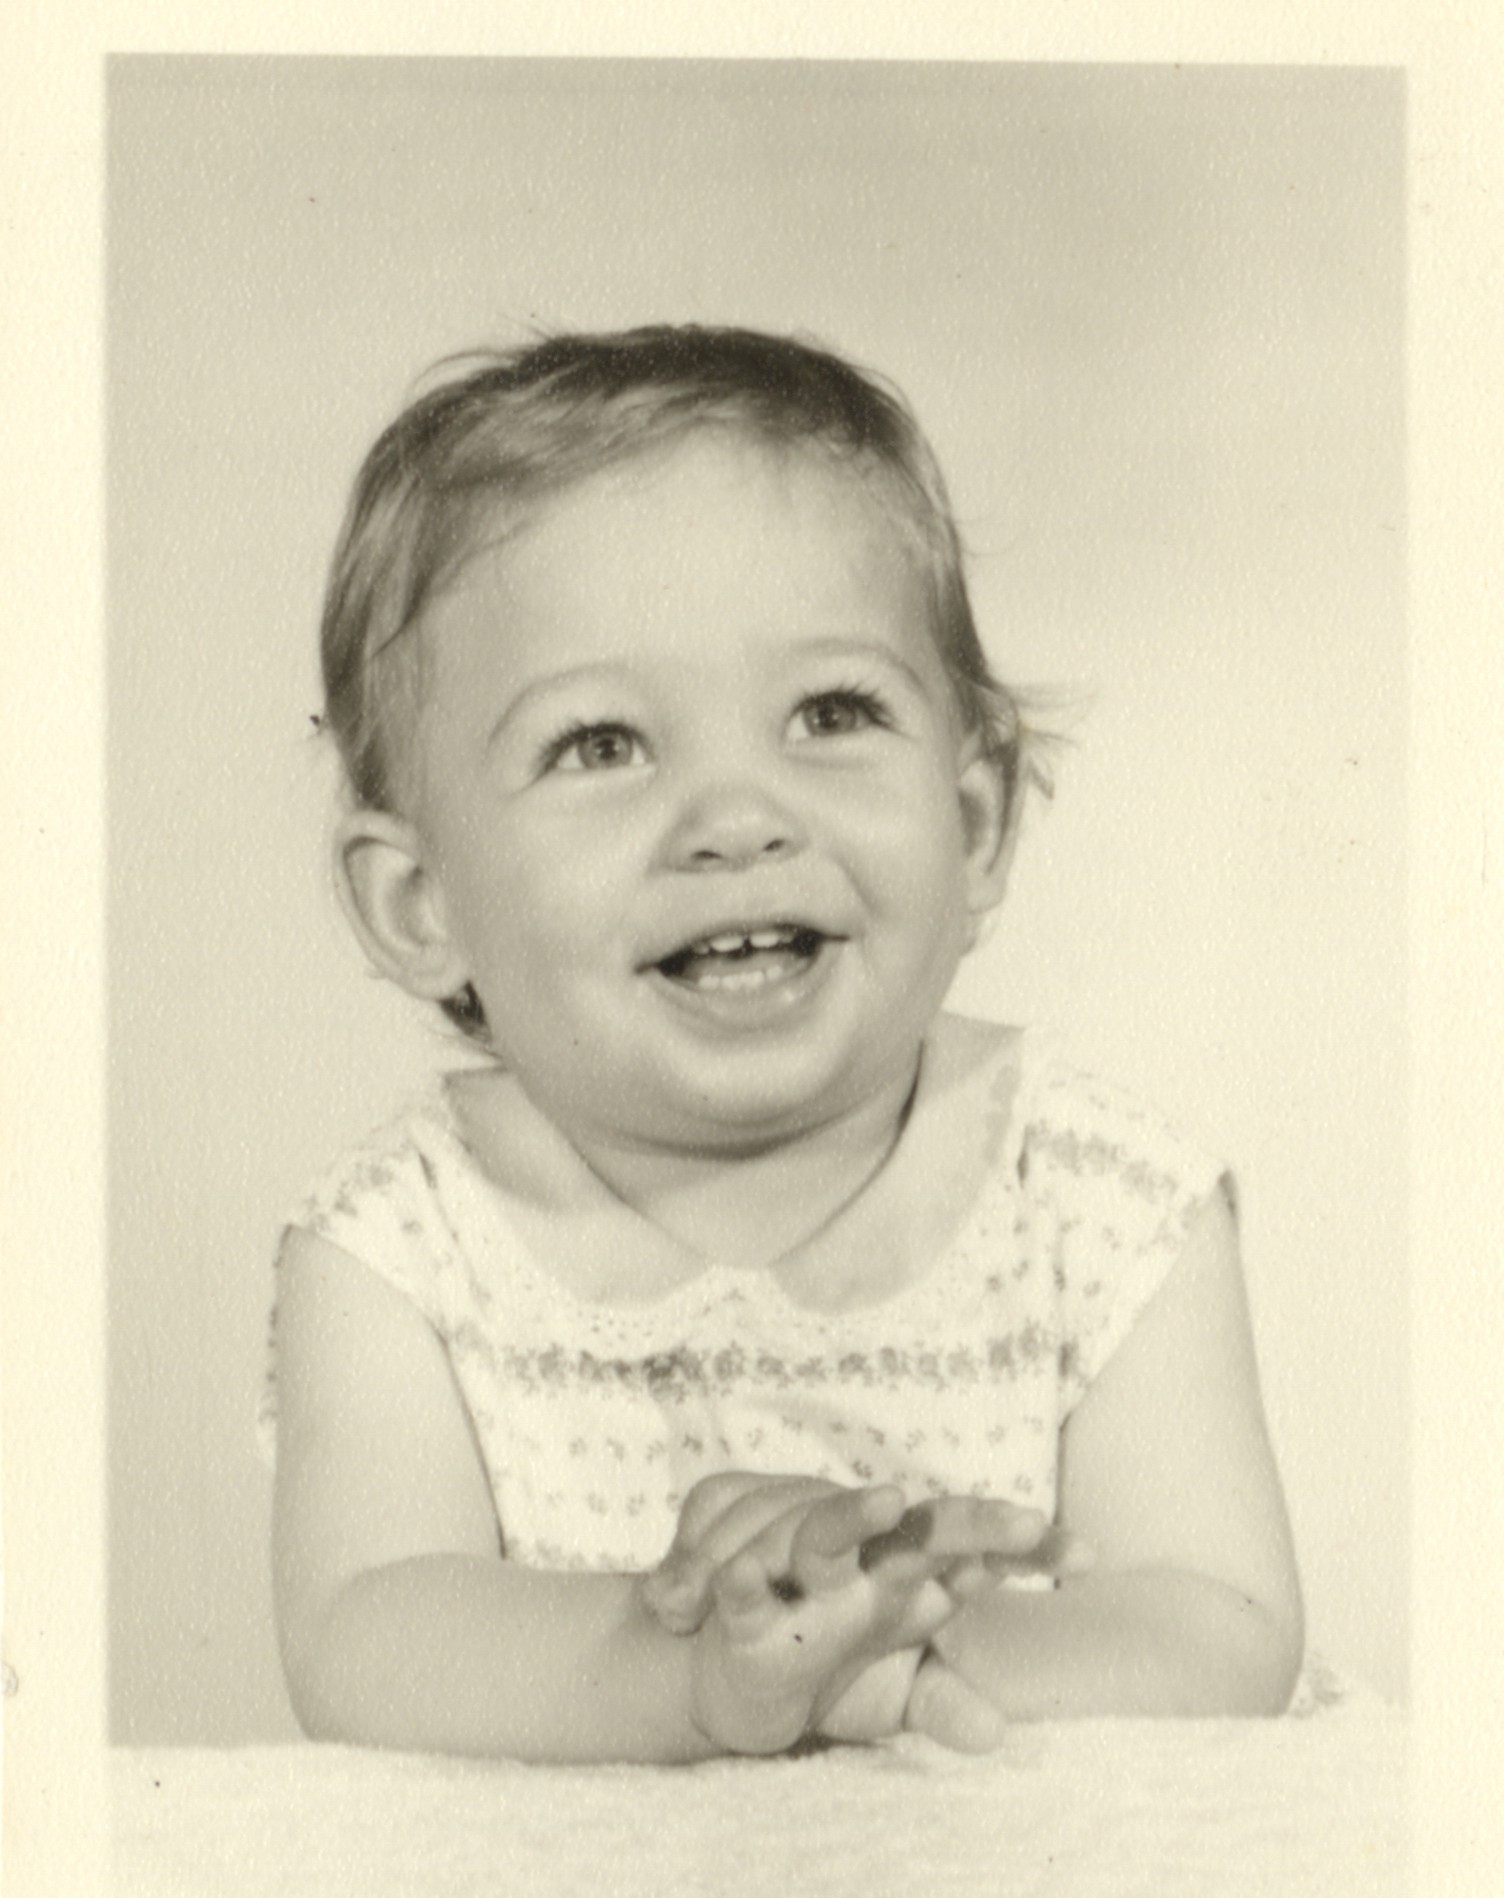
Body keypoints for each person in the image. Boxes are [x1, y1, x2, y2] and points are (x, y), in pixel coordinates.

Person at [268, 324, 1303, 1764]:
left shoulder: (1104, 1206)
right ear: (419, 903)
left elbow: (1223, 1627)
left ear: (977, 823)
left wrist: (879, 1644)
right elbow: (364, 1641)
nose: (739, 817)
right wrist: (693, 1667)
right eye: (602, 744)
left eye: (830, 713)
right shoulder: (400, 1249)